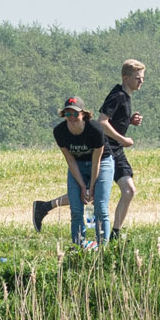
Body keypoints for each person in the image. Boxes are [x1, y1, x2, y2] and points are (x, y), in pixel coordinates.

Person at [34, 59, 144, 232]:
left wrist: (128, 121)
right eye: (138, 78)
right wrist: (123, 139)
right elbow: (102, 123)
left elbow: (113, 121)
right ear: (125, 78)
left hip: (116, 150)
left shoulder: (125, 97)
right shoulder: (117, 96)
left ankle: (115, 233)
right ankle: (45, 207)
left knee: (128, 190)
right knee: (88, 194)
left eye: (142, 78)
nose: (141, 81)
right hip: (108, 150)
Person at [47, 98, 110, 248]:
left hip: (102, 162)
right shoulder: (60, 132)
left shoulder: (95, 130)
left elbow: (96, 161)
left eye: (75, 114)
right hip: (77, 164)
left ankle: (104, 250)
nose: (72, 118)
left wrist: (92, 187)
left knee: (100, 208)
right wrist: (83, 186)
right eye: (68, 114)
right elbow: (70, 160)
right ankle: (78, 248)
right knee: (76, 210)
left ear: (83, 114)